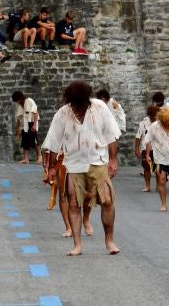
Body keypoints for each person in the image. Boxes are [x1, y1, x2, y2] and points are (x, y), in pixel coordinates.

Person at [46, 81, 121, 256]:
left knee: (107, 200)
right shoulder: (63, 114)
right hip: (73, 164)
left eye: (80, 105)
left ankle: (109, 240)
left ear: (87, 101)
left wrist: (113, 160)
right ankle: (77, 245)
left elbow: (111, 135)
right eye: (74, 105)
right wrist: (50, 167)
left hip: (98, 160)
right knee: (73, 203)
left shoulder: (100, 107)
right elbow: (53, 142)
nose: (77, 108)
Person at [12, 90, 42, 164]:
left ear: (20, 98)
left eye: (17, 100)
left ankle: (40, 157)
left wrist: (34, 124)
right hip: (24, 124)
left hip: (32, 121)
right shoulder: (20, 105)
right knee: (24, 141)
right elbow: (19, 118)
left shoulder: (29, 101)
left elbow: (36, 112)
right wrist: (17, 129)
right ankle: (26, 158)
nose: (17, 102)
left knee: (34, 140)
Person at [135, 104, 159, 192]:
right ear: (149, 115)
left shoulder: (161, 122)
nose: (154, 117)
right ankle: (147, 185)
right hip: (145, 148)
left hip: (158, 148)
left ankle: (158, 185)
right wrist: (137, 149)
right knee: (146, 167)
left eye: (155, 115)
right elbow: (138, 136)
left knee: (158, 168)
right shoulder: (143, 123)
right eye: (152, 116)